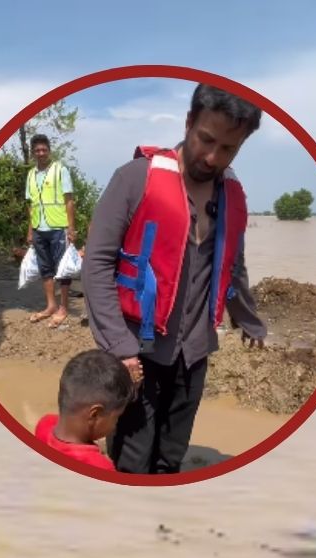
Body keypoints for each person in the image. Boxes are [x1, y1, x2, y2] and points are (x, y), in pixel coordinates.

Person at [82, 83, 267, 474]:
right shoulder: (135, 179)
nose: (213, 157)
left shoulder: (231, 195)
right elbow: (96, 263)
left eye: (229, 149)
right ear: (188, 123)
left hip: (194, 352)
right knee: (132, 460)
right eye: (206, 139)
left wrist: (249, 320)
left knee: (170, 456)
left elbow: (233, 265)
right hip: (136, 351)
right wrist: (120, 346)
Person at [33, 350, 133, 471]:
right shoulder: (99, 466)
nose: (115, 425)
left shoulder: (44, 425)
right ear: (95, 414)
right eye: (116, 417)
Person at [24, 134, 77, 328]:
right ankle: (51, 306)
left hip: (58, 227)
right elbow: (31, 205)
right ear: (33, 153)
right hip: (39, 228)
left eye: (44, 149)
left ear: (49, 150)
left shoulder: (60, 170)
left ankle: (63, 307)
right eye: (37, 150)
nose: (41, 153)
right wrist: (30, 230)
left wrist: (71, 228)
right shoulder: (30, 175)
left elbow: (69, 200)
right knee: (45, 268)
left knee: (62, 269)